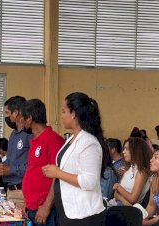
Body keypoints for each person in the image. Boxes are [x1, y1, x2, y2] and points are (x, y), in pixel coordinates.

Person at [43, 92, 107, 225]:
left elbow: (90, 181)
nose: (61, 116)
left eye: (63, 111)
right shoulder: (72, 139)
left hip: (84, 215)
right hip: (68, 210)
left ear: (73, 114)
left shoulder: (89, 142)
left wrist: (58, 173)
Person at [18, 99, 64, 225]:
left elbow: (58, 177)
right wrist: (27, 203)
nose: (20, 121)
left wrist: (46, 206)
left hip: (46, 209)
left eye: (22, 117)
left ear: (29, 119)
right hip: (32, 207)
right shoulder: (35, 140)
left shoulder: (53, 139)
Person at [0, 96, 32, 210]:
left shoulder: (29, 134)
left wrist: (11, 169)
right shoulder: (13, 134)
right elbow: (10, 159)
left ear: (16, 113)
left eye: (7, 113)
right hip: (10, 190)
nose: (5, 117)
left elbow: (34, 166)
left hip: (23, 191)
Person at [110, 137, 151, 206]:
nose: (123, 152)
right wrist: (123, 199)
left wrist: (118, 187)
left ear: (136, 151)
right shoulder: (128, 169)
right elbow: (115, 194)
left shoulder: (141, 172)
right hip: (119, 205)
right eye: (124, 149)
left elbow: (132, 199)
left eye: (127, 149)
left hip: (128, 211)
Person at [143, 147, 159, 226]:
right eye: (152, 157)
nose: (151, 160)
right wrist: (143, 218)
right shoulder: (155, 180)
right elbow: (151, 205)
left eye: (156, 157)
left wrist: (147, 223)